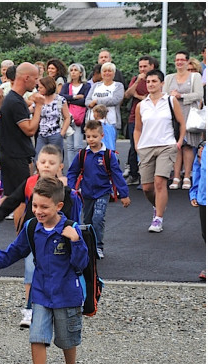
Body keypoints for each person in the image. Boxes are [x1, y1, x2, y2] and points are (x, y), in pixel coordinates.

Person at [0, 176, 89, 364]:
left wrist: (75, 242)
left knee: (66, 339)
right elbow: (17, 250)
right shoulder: (31, 226)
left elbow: (81, 263)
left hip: (67, 294)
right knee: (37, 336)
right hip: (41, 292)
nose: (38, 210)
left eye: (44, 206)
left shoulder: (71, 228)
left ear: (59, 206)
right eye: (34, 205)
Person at [0, 145, 82, 328]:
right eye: (43, 161)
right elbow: (12, 201)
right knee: (32, 271)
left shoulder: (65, 191)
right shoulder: (31, 183)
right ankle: (30, 308)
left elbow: (73, 219)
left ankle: (56, 305)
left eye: (51, 162)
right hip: (34, 237)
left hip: (57, 240)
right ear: (37, 164)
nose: (47, 165)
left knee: (55, 274)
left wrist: (74, 239)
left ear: (60, 166)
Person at [67, 120, 131, 258]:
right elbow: (72, 172)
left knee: (98, 218)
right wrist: (71, 189)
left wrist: (124, 194)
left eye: (94, 136)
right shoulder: (82, 154)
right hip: (87, 192)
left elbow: (117, 175)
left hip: (103, 192)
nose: (91, 139)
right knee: (88, 221)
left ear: (102, 136)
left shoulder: (108, 155)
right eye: (88, 136)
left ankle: (98, 246)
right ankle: (89, 246)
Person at [134, 69, 186, 233]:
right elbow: (137, 129)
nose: (150, 84)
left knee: (159, 182)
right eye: (148, 81)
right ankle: (157, 207)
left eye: (154, 81)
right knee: (147, 188)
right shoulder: (141, 105)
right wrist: (137, 145)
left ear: (162, 83)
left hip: (166, 145)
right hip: (145, 147)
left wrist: (178, 142)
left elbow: (182, 123)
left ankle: (158, 219)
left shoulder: (170, 101)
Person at [0, 62, 44, 197]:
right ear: (26, 78)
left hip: (12, 153)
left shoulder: (14, 99)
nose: (36, 83)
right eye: (35, 79)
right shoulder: (15, 101)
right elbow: (30, 130)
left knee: (13, 197)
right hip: (15, 156)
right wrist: (39, 106)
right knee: (21, 199)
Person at [164, 50, 204, 190]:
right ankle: (176, 176)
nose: (179, 62)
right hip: (173, 115)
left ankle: (187, 176)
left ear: (187, 61)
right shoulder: (169, 78)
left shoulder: (195, 76)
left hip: (190, 115)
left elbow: (199, 94)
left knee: (188, 147)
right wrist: (171, 95)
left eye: (182, 60)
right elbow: (164, 94)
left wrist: (181, 95)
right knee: (176, 146)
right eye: (177, 60)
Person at [123, 56, 158, 186]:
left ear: (152, 66)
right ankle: (134, 174)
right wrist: (137, 82)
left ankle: (148, 175)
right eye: (140, 66)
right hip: (134, 117)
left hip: (151, 118)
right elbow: (127, 95)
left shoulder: (156, 80)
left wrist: (141, 96)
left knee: (150, 147)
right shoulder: (135, 79)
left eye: (145, 66)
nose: (142, 69)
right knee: (134, 146)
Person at [85, 62, 124, 145]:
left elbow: (115, 100)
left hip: (110, 122)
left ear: (114, 73)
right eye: (104, 71)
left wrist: (96, 102)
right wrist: (91, 103)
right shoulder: (95, 85)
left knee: (109, 148)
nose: (107, 73)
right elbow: (87, 101)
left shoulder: (118, 86)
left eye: (109, 71)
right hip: (93, 122)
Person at [60, 63, 91, 168]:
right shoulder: (66, 86)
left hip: (79, 118)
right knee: (69, 146)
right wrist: (75, 97)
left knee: (78, 145)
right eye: (71, 70)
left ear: (81, 73)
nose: (73, 72)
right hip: (68, 118)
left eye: (75, 70)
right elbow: (62, 98)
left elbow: (85, 101)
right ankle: (71, 169)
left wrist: (70, 101)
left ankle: (79, 167)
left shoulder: (86, 86)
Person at [34, 76, 71, 158]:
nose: (38, 89)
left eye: (41, 87)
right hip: (42, 134)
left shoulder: (59, 100)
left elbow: (67, 117)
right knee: (38, 158)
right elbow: (31, 110)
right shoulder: (40, 99)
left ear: (47, 87)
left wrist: (62, 133)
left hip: (55, 134)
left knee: (55, 159)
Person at [189, 143, 206, 280]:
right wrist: (194, 192)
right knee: (205, 233)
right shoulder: (203, 149)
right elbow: (198, 170)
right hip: (204, 197)